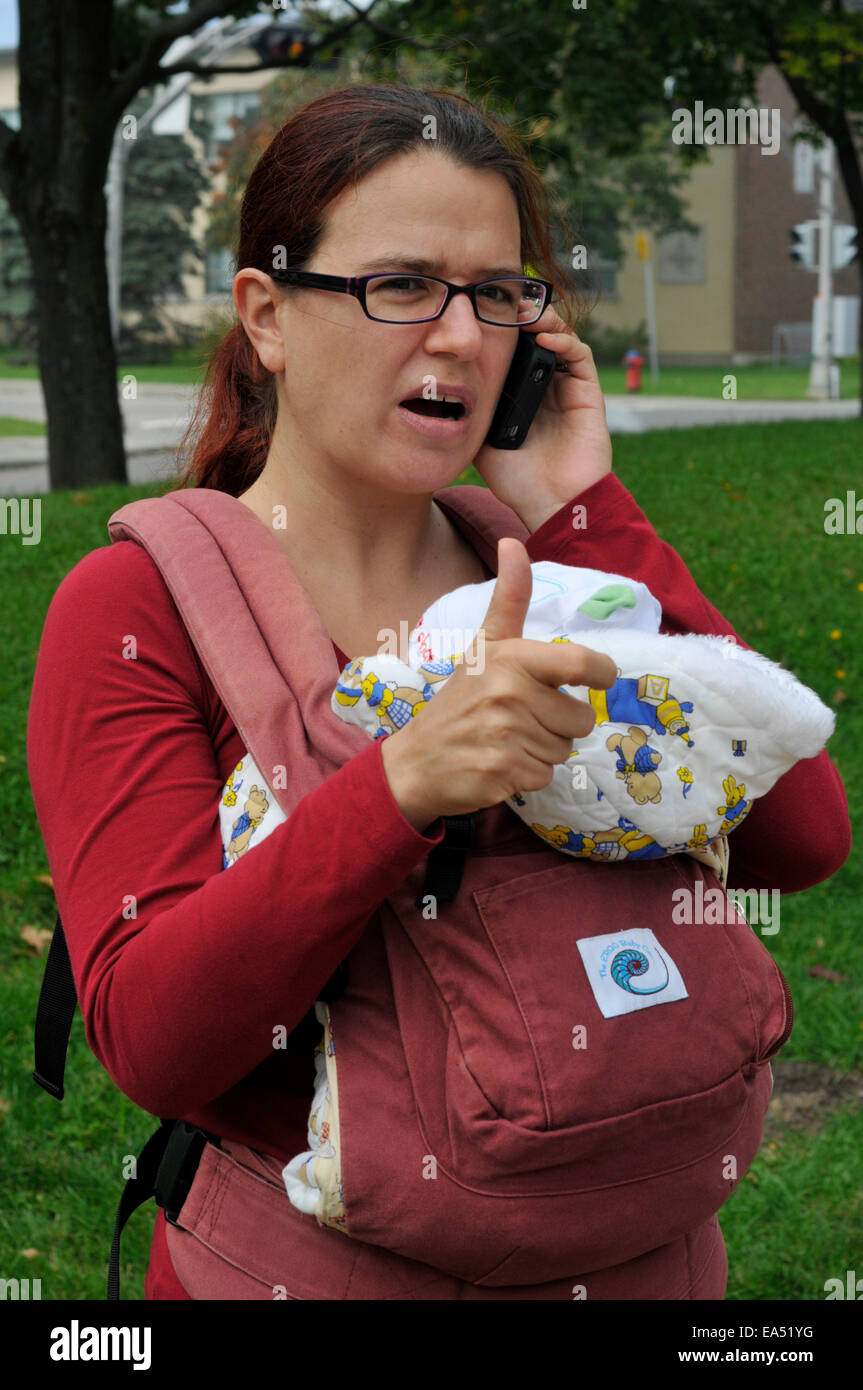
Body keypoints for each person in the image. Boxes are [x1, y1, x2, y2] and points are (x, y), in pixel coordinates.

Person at [26, 83, 850, 1301]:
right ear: (267, 314)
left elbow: (798, 833)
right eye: (399, 285)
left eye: (497, 292)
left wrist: (582, 507)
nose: (462, 339)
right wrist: (402, 782)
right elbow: (153, 1039)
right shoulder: (139, 607)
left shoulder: (545, 570)